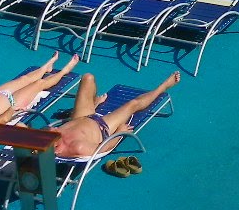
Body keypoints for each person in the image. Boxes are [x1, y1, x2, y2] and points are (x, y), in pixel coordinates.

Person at [50, 69, 180, 160]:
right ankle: (163, 87)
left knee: (88, 78)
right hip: (101, 125)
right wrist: (119, 132)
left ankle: (93, 104)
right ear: (56, 148)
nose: (53, 128)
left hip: (79, 117)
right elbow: (104, 149)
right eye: (54, 131)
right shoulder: (78, 147)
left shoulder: (48, 135)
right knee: (132, 104)